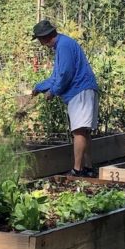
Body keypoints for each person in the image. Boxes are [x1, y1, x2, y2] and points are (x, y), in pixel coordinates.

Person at [30, 19, 99, 177]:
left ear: (45, 37)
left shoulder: (64, 46)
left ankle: (77, 169)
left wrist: (53, 91)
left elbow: (65, 74)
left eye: (39, 40)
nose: (40, 44)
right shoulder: (62, 45)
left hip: (80, 91)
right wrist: (39, 88)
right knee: (84, 132)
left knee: (79, 131)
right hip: (82, 91)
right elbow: (56, 76)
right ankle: (87, 168)